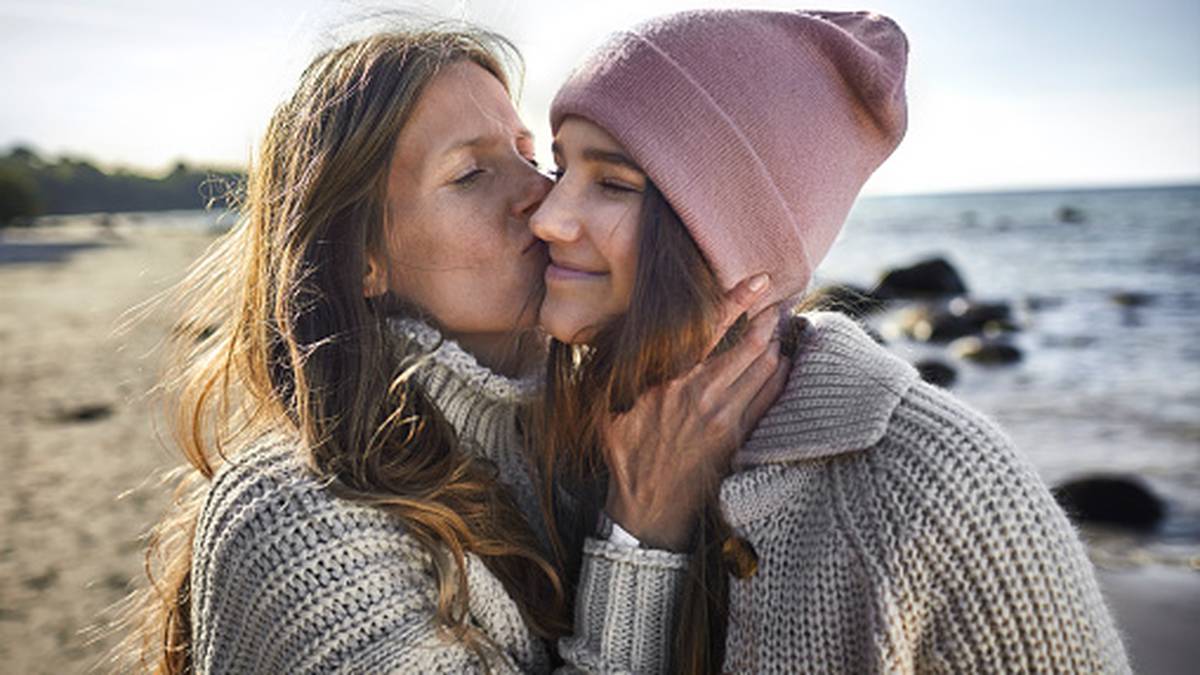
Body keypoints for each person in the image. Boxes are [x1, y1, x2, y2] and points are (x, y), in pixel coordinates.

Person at [121, 26, 786, 674]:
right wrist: (640, 535)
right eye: (471, 174)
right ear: (361, 258)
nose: (542, 196)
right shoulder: (294, 522)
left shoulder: (593, 444)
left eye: (531, 156)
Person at [532, 9, 1131, 673]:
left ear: (735, 239)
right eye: (561, 171)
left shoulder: (944, 487)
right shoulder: (556, 443)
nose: (548, 217)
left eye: (613, 184)